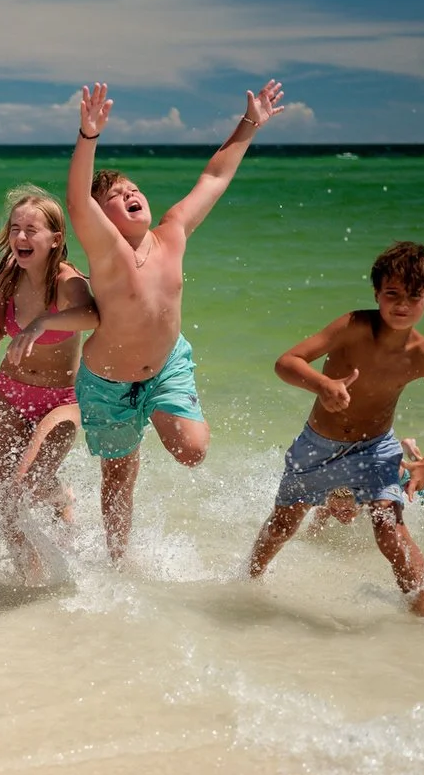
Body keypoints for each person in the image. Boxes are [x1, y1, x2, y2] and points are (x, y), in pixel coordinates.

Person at [66, 80, 285, 562]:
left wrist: (249, 124)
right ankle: (117, 561)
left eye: (134, 189)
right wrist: (88, 136)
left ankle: (155, 411)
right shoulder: (107, 252)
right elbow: (77, 201)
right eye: (117, 196)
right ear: (102, 218)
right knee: (118, 475)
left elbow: (214, 178)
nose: (131, 195)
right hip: (107, 382)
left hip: (166, 365)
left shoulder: (173, 233)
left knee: (191, 451)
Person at [247, 242, 424, 617]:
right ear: (377, 293)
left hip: (375, 449)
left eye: (414, 295)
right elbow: (287, 362)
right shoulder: (353, 327)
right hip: (317, 446)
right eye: (392, 293)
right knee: (284, 524)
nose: (402, 304)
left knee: (390, 530)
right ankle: (248, 584)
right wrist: (323, 385)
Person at [0, 185, 95, 580]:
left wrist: (45, 321)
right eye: (15, 228)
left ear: (55, 238)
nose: (20, 237)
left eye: (31, 230)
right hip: (10, 391)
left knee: (30, 484)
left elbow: (92, 316)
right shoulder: (11, 273)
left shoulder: (67, 281)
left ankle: (61, 497)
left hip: (61, 401)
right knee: (5, 495)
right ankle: (29, 576)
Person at [304, 437, 424, 536]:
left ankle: (419, 461)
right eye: (334, 510)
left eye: (347, 510)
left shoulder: (378, 497)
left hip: (397, 472)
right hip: (365, 465)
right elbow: (314, 530)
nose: (340, 515)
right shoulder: (329, 501)